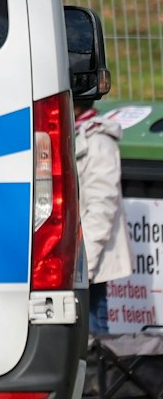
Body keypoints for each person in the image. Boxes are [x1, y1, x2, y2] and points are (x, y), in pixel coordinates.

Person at [77, 104, 134, 333]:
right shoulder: (71, 134)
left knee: (92, 345)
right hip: (70, 266)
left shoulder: (99, 143)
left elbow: (101, 209)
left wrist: (84, 268)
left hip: (88, 269)